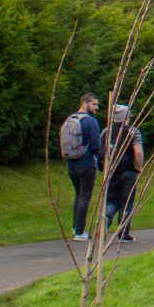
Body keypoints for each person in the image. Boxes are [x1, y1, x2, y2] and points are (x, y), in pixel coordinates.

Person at [62, 93, 104, 241]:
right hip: (86, 163)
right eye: (94, 104)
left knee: (78, 195)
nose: (96, 107)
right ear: (85, 104)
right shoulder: (90, 121)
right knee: (85, 196)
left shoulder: (70, 119)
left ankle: (75, 228)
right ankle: (80, 232)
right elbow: (96, 144)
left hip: (71, 164)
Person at [102, 102, 145, 243]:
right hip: (127, 171)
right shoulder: (132, 131)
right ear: (126, 116)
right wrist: (139, 167)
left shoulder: (106, 131)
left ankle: (105, 221)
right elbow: (138, 152)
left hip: (110, 171)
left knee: (111, 200)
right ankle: (123, 234)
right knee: (126, 202)